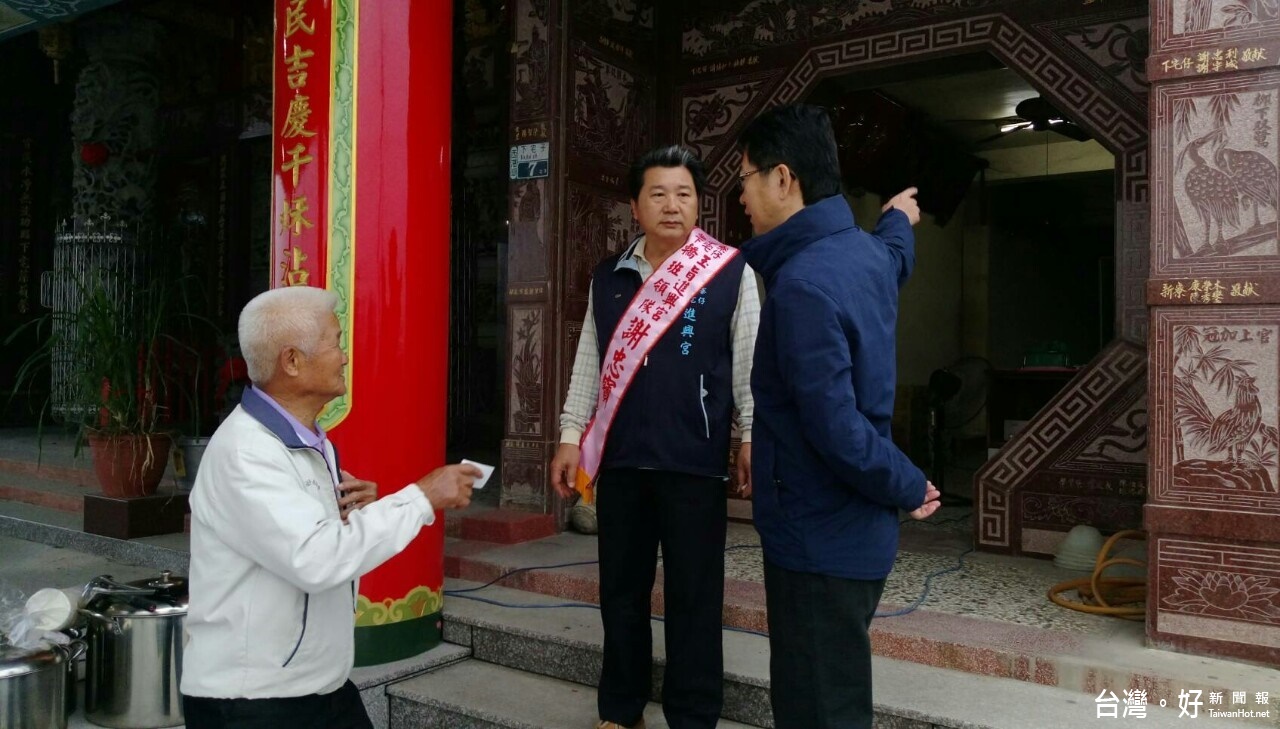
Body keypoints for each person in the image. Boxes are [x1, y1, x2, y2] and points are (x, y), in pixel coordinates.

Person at [181, 286, 480, 729]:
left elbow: (305, 538)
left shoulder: (307, 439)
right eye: (335, 342)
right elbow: (317, 558)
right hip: (253, 701)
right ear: (292, 361)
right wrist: (422, 496)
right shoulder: (246, 451)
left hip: (317, 686)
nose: (344, 357)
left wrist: (346, 511)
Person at [734, 104, 942, 729]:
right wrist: (897, 219)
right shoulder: (863, 255)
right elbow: (894, 255)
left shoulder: (801, 286)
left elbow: (836, 427)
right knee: (834, 689)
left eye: (745, 177)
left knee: (817, 705)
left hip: (817, 536)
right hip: (851, 536)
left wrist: (909, 482)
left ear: (782, 178)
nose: (740, 194)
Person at [550, 144, 761, 729]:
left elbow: (747, 361)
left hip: (693, 461)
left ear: (699, 204)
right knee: (621, 592)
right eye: (659, 194)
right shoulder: (610, 277)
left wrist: (750, 435)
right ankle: (621, 709)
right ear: (636, 207)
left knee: (695, 596)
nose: (673, 206)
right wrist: (572, 435)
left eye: (685, 194)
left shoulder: (728, 271)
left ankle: (693, 716)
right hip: (621, 462)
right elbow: (589, 362)